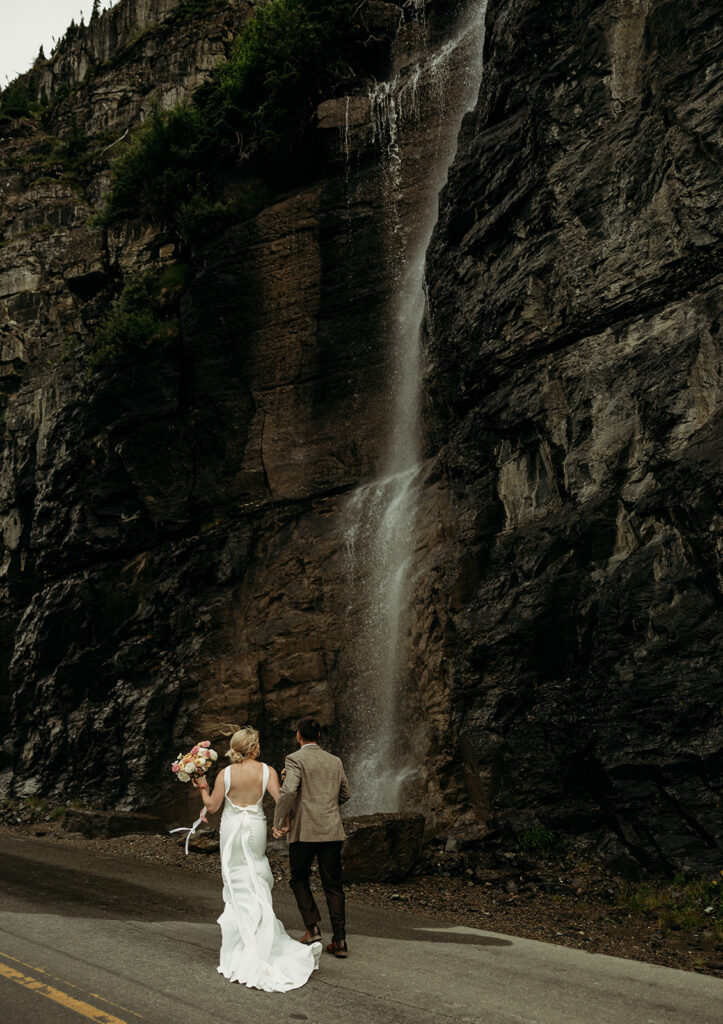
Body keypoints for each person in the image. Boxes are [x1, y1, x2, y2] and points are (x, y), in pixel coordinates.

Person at [194, 725, 321, 992]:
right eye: (258, 743)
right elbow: (282, 799)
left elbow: (213, 807)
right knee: (257, 877)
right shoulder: (267, 771)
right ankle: (262, 934)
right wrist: (281, 825)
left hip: (231, 829)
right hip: (255, 828)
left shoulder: (225, 774)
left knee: (235, 879)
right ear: (253, 748)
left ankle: (242, 940)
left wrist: (202, 788)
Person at [272, 715, 352, 958]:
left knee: (298, 878)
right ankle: (340, 942)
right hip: (331, 830)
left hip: (305, 830)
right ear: (319, 736)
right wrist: (327, 805)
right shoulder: (335, 760)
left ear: (298, 735)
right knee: (333, 886)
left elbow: (288, 791)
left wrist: (278, 821)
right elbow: (346, 793)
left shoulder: (295, 759)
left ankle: (313, 927)